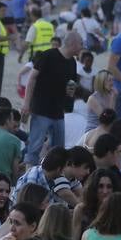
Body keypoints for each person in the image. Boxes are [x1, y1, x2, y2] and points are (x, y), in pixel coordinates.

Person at [21, 30, 82, 166]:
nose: (82, 47)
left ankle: (54, 177)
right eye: (81, 44)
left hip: (58, 112)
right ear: (72, 44)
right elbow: (32, 78)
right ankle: (29, 178)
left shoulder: (72, 62)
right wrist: (26, 103)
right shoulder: (48, 55)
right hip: (41, 109)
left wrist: (69, 102)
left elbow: (70, 85)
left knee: (59, 149)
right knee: (35, 147)